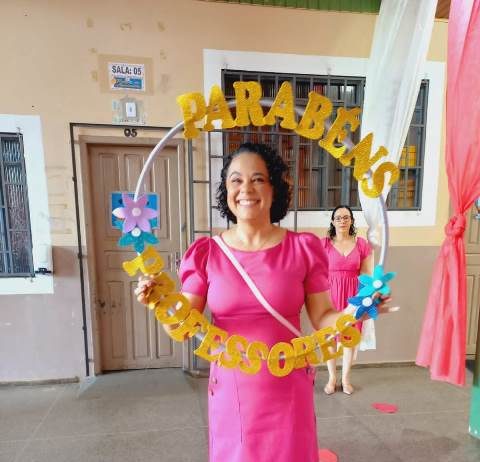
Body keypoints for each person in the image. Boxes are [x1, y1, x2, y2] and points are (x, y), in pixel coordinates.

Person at [136, 143, 392, 462]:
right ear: (226, 189)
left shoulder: (302, 248)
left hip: (289, 385)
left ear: (274, 189)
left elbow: (324, 317)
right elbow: (183, 325)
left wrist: (357, 310)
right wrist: (160, 302)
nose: (246, 188)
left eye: (258, 179)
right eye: (236, 180)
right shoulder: (206, 254)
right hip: (232, 391)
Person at [320, 205, 373, 396]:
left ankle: (345, 379)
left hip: (354, 296)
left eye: (346, 217)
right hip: (330, 295)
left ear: (351, 221)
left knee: (349, 337)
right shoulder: (324, 244)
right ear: (332, 221)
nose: (342, 221)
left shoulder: (361, 244)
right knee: (330, 337)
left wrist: (364, 298)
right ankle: (332, 378)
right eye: (338, 217)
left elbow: (366, 274)